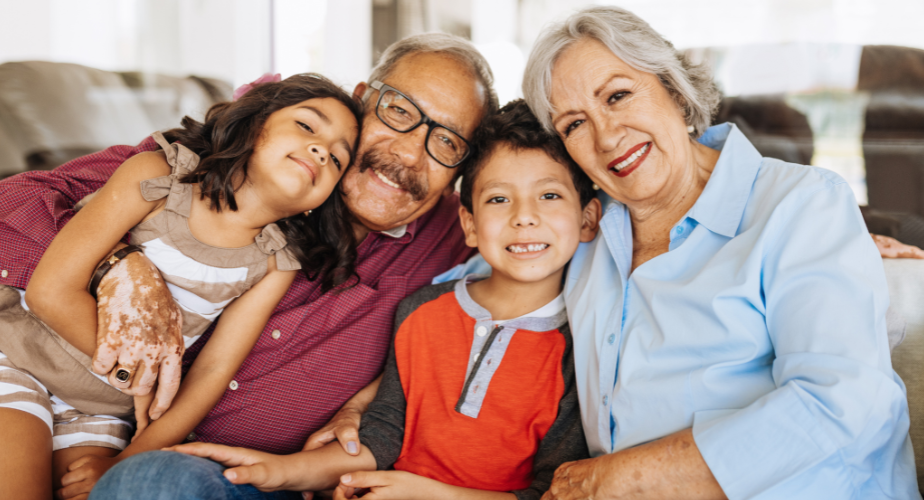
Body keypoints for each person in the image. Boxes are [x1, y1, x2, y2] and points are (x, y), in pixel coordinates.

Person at [0, 33, 495, 500]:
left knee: (144, 479)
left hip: (235, 472)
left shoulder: (457, 232)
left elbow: (532, 227)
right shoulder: (201, 169)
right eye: (399, 110)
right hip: (64, 378)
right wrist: (119, 263)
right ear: (363, 98)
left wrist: (370, 398)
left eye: (448, 142)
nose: (409, 151)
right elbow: (15, 202)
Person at [515, 6, 919, 499]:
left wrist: (618, 479)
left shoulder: (801, 206)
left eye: (618, 96)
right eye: (574, 124)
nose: (606, 135)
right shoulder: (581, 231)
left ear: (674, 88)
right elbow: (481, 254)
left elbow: (841, 404)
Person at [104, 99, 599, 500]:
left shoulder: (583, 345)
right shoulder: (423, 310)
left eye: (550, 196)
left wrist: (425, 493)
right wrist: (277, 471)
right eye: (498, 199)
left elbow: (556, 488)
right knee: (148, 481)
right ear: (467, 222)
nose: (524, 217)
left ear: (588, 220)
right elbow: (381, 436)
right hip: (364, 488)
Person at [0, 73, 363, 500]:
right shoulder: (158, 177)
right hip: (23, 358)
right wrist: (137, 374)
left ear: (323, 200)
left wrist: (125, 460)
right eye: (307, 126)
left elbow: (211, 373)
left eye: (338, 159)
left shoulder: (276, 262)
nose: (322, 150)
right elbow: (50, 292)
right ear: (253, 122)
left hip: (105, 410)